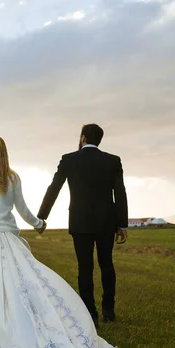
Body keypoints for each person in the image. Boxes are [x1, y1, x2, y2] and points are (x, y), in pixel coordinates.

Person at [0, 136, 115, 348]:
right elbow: (22, 209)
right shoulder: (13, 177)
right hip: (8, 237)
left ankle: (3, 319)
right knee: (24, 282)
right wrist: (38, 224)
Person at [38, 124, 128, 327]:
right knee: (107, 265)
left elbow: (54, 188)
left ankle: (90, 313)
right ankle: (109, 310)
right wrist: (122, 223)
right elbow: (120, 193)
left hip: (80, 221)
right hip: (107, 222)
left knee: (85, 268)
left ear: (83, 138)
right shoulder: (113, 161)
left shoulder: (69, 159)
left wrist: (42, 216)